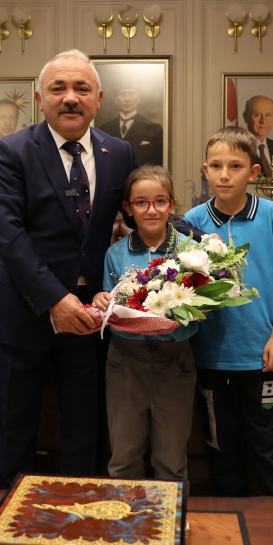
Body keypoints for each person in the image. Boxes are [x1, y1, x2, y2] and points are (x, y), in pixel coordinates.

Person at [0, 48, 135, 487]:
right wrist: (56, 299)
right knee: (15, 427)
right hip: (24, 310)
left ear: (98, 99)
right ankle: (13, 514)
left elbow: (138, 214)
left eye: (81, 88)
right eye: (58, 88)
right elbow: (8, 234)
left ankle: (80, 510)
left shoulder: (118, 152)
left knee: (84, 427)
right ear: (39, 98)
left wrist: (196, 242)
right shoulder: (11, 151)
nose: (70, 97)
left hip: (91, 314)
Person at [183, 126, 273, 504]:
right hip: (212, 358)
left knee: (267, 447)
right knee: (222, 448)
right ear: (205, 170)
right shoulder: (193, 219)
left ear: (253, 172)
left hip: (263, 356)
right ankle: (231, 523)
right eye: (216, 166)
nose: (224, 175)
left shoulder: (271, 214)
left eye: (235, 166)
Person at [92, 165, 197, 500]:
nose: (151, 210)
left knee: (171, 461)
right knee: (124, 458)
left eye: (160, 201)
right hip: (126, 361)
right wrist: (101, 298)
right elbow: (108, 302)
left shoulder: (192, 252)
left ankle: (170, 526)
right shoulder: (116, 253)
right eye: (141, 202)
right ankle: (127, 525)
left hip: (175, 361)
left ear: (172, 204)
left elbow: (203, 304)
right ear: (128, 208)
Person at [99, 86, 163, 166]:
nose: (127, 99)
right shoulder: (105, 129)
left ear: (139, 99)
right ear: (116, 100)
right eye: (122, 94)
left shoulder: (154, 129)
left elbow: (158, 165)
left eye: (131, 94)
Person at [243, 95, 273, 177]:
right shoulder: (236, 148)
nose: (263, 121)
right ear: (245, 117)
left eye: (267, 115)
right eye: (257, 115)